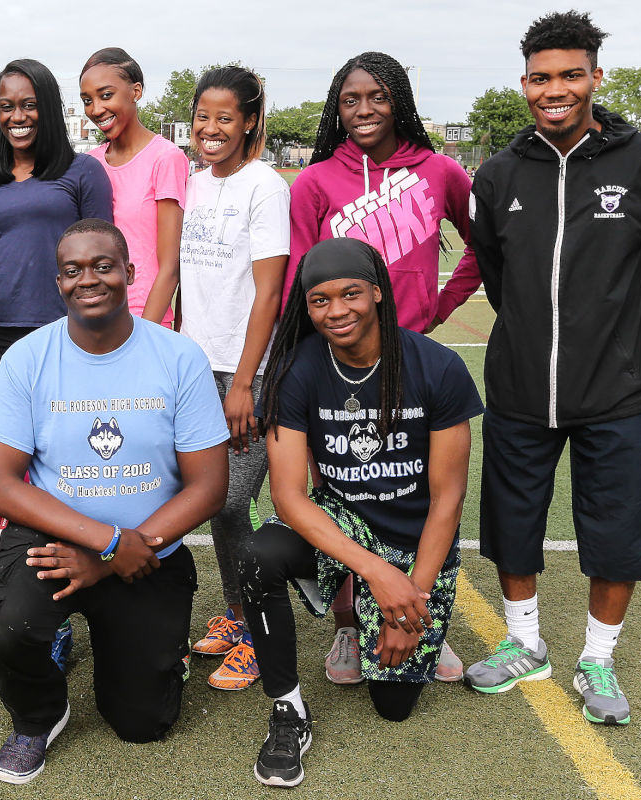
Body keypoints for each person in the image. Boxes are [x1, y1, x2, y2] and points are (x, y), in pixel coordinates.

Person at [464, 11, 641, 727]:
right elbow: (498, 277)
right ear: (524, 84)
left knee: (617, 529)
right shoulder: (496, 175)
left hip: (617, 393)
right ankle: (524, 642)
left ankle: (598, 655)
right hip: (519, 389)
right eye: (541, 78)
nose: (555, 90)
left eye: (570, 75)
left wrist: (619, 343)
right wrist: (536, 338)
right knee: (511, 521)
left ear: (596, 77)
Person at [0, 219, 229, 784]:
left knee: (142, 723)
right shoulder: (27, 358)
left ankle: (154, 649)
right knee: (4, 622)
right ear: (59, 282)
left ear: (129, 272)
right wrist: (106, 542)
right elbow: (0, 484)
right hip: (57, 540)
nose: (89, 279)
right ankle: (39, 714)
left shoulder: (179, 357)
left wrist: (115, 557)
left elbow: (208, 486)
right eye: (73, 270)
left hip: (148, 548)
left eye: (103, 266)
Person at [243, 238, 481, 787]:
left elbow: (447, 500)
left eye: (350, 294)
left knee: (393, 705)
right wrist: (375, 573)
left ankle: (417, 620)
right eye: (320, 300)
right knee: (260, 554)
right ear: (306, 307)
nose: (337, 311)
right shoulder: (295, 370)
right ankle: (288, 709)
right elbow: (288, 496)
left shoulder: (437, 367)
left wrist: (411, 600)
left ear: (376, 292)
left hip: (413, 537)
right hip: (343, 521)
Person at [285, 51, 480, 684]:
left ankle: (425, 614)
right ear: (336, 110)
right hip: (337, 365)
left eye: (377, 96)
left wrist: (439, 306)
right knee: (342, 493)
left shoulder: (440, 171)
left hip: (409, 363)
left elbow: (483, 248)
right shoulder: (316, 181)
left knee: (416, 492)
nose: (363, 110)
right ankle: (348, 624)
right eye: (350, 100)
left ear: (399, 100)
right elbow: (298, 279)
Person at [177, 65, 290, 691]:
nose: (211, 128)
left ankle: (256, 630)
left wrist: (246, 381)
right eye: (203, 116)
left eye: (226, 117)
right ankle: (237, 613)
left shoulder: (265, 186)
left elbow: (269, 291)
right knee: (220, 508)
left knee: (228, 497)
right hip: (194, 367)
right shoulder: (193, 184)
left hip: (247, 370)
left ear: (249, 121)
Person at [0, 58, 113, 377]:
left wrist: (100, 332)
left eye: (29, 105)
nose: (17, 117)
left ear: (47, 108)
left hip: (66, 329)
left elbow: (105, 264)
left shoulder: (83, 172)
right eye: (6, 107)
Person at [80, 47, 188, 327]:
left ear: (136, 91)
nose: (96, 109)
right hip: (93, 321)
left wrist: (144, 335)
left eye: (106, 95)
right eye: (87, 100)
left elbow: (170, 267)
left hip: (145, 320)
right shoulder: (88, 164)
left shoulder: (165, 158)